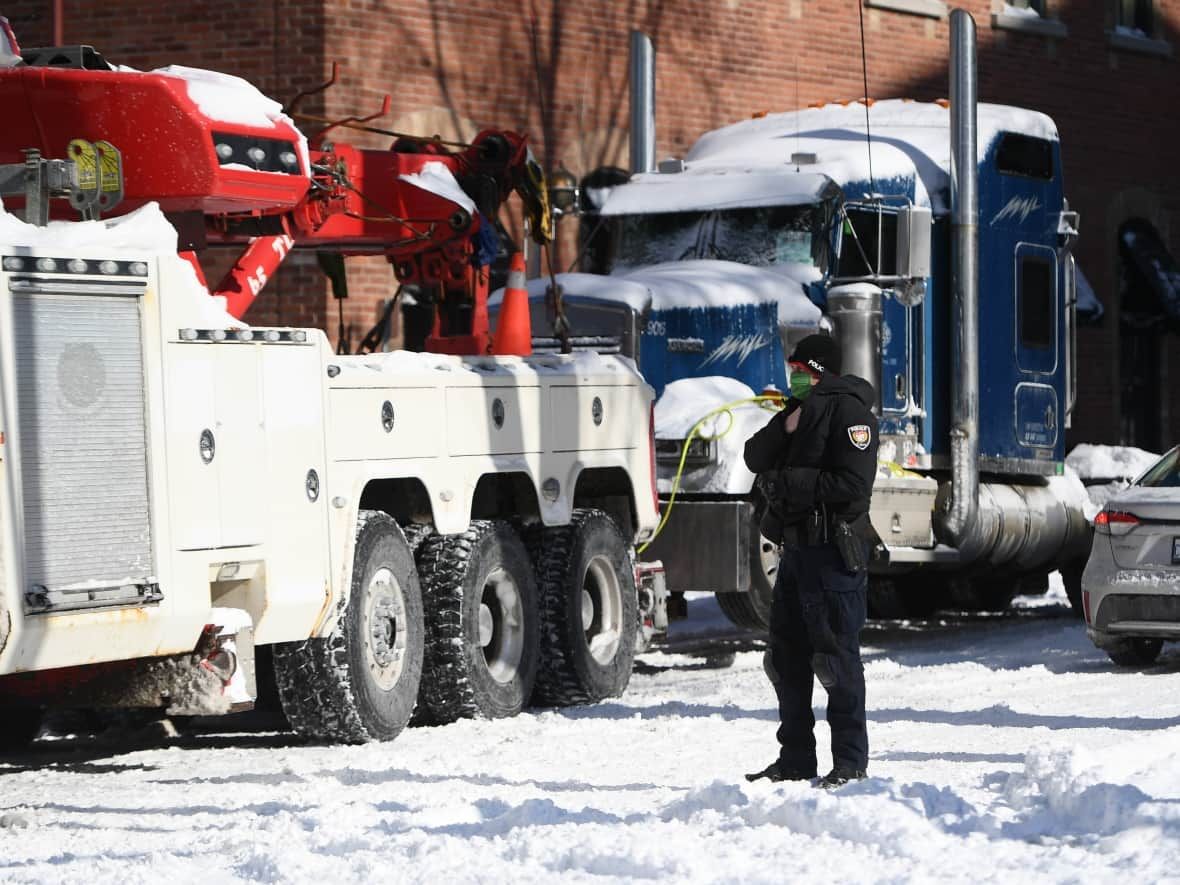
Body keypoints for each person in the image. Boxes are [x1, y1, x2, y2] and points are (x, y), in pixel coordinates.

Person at [742, 333, 879, 789]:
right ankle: (797, 758)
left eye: (799, 371)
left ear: (817, 370)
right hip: (797, 554)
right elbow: (754, 455)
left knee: (836, 659)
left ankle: (850, 763)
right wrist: (785, 428)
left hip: (833, 554)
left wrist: (791, 483)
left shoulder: (851, 413)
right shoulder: (797, 413)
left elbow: (853, 487)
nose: (792, 378)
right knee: (786, 659)